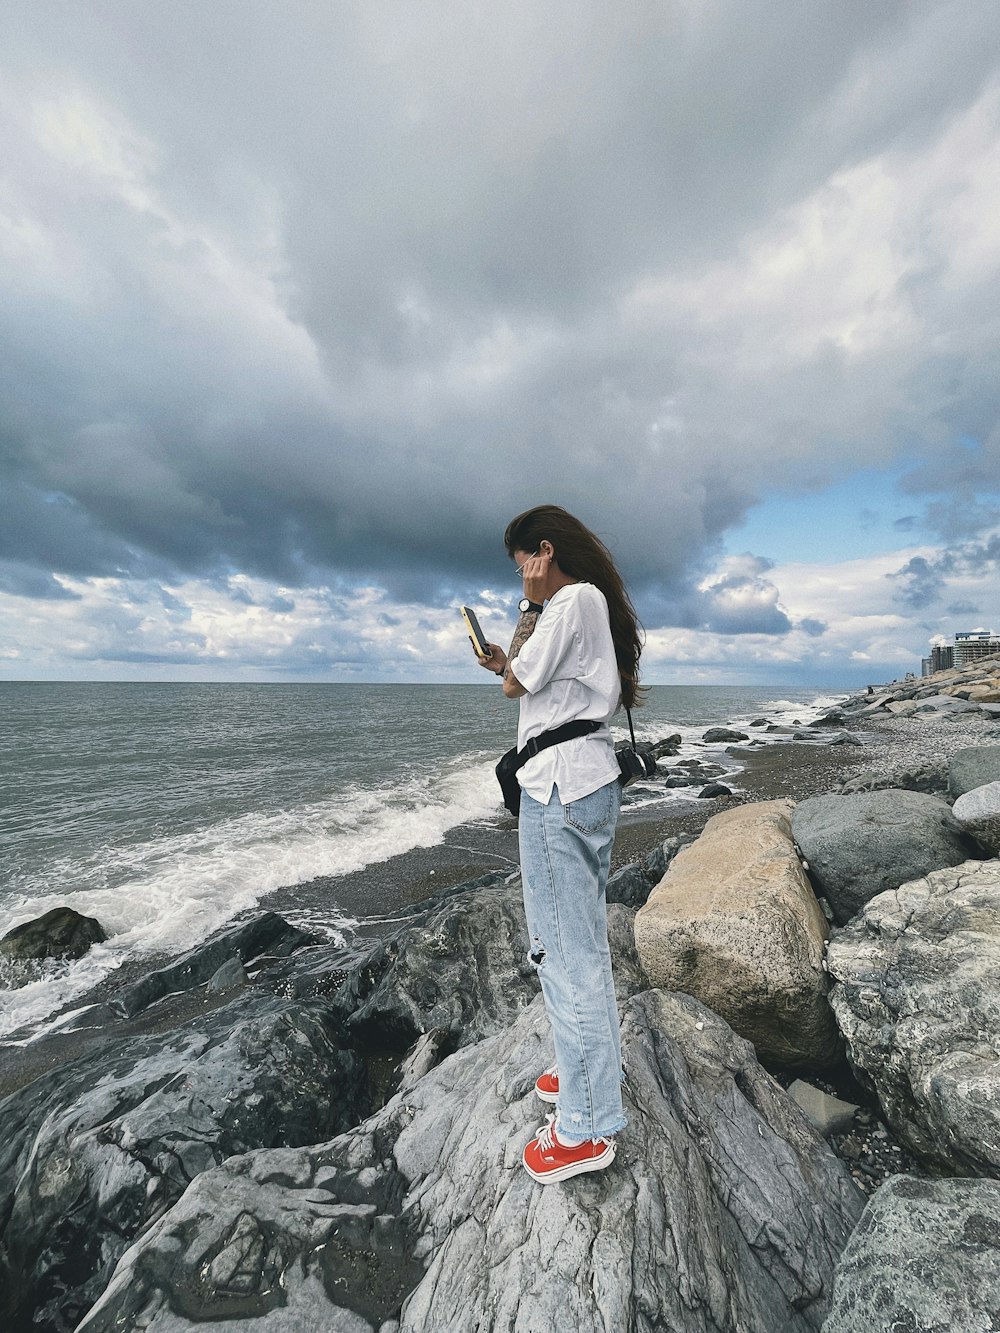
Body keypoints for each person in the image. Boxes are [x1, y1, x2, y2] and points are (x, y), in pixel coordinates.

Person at [478, 504, 643, 1184]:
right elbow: (526, 680)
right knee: (581, 944)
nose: (522, 574)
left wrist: (526, 604)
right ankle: (581, 1069)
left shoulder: (570, 600)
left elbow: (521, 679)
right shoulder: (585, 607)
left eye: (522, 561)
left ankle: (586, 1126)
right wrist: (504, 662)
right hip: (586, 782)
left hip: (556, 790)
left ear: (544, 552)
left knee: (562, 952)